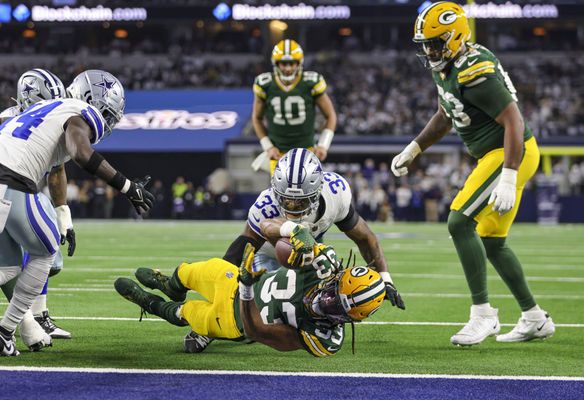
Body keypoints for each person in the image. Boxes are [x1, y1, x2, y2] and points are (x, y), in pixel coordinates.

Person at [391, 1, 554, 346]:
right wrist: (415, 147)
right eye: (425, 44)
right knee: (492, 243)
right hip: (497, 154)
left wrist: (509, 174)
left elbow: (514, 121)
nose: (429, 50)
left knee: (459, 222)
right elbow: (447, 114)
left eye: (435, 42)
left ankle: (483, 315)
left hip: (509, 152)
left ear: (455, 37)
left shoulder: (473, 71)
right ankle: (535, 318)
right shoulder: (449, 65)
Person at [0, 69, 155, 356]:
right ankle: (4, 333)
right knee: (46, 250)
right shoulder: (81, 111)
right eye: (110, 113)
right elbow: (80, 153)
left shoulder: (42, 107)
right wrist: (128, 187)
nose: (108, 121)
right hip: (9, 182)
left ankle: (4, 337)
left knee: (9, 266)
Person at [186, 148, 405, 353]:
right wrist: (226, 281)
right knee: (254, 317)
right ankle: (208, 327)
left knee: (316, 305)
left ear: (318, 189)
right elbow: (243, 244)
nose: (292, 207)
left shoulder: (335, 193)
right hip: (268, 255)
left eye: (300, 201)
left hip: (306, 259)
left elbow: (365, 238)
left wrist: (386, 279)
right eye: (287, 200)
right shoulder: (266, 203)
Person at [114, 233, 387, 357]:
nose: (326, 302)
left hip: (234, 320)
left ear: (353, 320)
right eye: (333, 294)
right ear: (338, 275)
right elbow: (268, 225)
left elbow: (258, 332)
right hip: (233, 282)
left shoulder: (326, 338)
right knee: (188, 272)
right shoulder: (321, 260)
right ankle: (170, 285)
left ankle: (149, 303)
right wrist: (294, 232)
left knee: (183, 314)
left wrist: (246, 290)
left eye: (337, 308)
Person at [0, 69, 72, 350]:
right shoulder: (9, 122)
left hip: (14, 195)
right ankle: (28, 324)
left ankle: (34, 319)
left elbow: (57, 170)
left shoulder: (49, 121)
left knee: (42, 260)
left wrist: (63, 215)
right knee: (8, 263)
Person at [251, 39, 337, 174]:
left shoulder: (310, 82)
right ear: (276, 63)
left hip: (307, 151)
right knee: (280, 194)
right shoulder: (265, 84)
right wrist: (268, 147)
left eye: (292, 63)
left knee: (308, 193)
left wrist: (323, 145)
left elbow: (330, 115)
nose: (288, 68)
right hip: (278, 153)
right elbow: (257, 118)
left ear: (299, 63)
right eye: (283, 64)